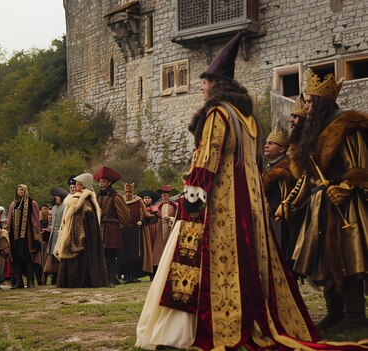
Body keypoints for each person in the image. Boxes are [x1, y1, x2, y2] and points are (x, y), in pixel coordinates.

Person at [136, 33, 319, 350]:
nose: (202, 87)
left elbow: (206, 162)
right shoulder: (249, 119)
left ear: (217, 85)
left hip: (222, 208)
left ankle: (204, 326)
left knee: (210, 267)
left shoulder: (218, 114)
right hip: (250, 208)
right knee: (249, 267)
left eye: (206, 82)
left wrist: (190, 210)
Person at [281, 68, 368, 336]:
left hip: (345, 203)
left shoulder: (346, 126)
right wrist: (291, 202)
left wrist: (346, 186)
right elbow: (307, 177)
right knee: (324, 260)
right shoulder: (315, 132)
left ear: (320, 104)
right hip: (319, 204)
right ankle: (335, 313)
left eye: (308, 102)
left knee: (347, 258)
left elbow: (362, 165)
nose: (305, 106)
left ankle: (356, 317)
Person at [54, 173, 107, 288]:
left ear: (84, 186)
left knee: (81, 256)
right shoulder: (77, 198)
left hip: (83, 235)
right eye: (76, 184)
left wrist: (78, 231)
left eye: (79, 184)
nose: (76, 187)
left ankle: (80, 281)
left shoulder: (84, 200)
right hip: (73, 232)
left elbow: (83, 219)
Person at [94, 165, 130, 287]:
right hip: (100, 229)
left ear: (109, 182)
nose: (101, 184)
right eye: (100, 182)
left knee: (112, 255)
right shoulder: (97, 197)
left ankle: (112, 280)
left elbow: (125, 215)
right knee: (102, 255)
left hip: (112, 229)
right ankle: (105, 278)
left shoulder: (116, 197)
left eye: (104, 181)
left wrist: (118, 226)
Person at [262, 123, 293, 259]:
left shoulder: (287, 167)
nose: (266, 145)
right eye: (266, 143)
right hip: (269, 218)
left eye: (271, 143)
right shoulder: (269, 167)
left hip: (281, 219)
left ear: (281, 149)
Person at [6, 184, 41, 289]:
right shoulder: (13, 204)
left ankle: (30, 281)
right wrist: (6, 231)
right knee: (16, 258)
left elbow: (35, 218)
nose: (20, 191)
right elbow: (9, 220)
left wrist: (37, 233)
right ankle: (19, 281)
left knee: (28, 257)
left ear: (25, 191)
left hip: (27, 235)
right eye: (18, 189)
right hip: (15, 235)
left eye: (22, 189)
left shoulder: (32, 203)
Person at [120, 183, 152, 283]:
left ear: (133, 192)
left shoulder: (138, 200)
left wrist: (143, 220)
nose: (128, 194)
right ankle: (125, 276)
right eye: (127, 192)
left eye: (130, 192)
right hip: (124, 229)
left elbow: (144, 213)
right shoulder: (121, 201)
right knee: (124, 253)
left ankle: (134, 276)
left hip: (135, 229)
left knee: (134, 254)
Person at [43, 187, 68, 285]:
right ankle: (54, 276)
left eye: (57, 197)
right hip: (53, 234)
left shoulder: (64, 207)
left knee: (60, 255)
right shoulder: (53, 208)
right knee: (52, 256)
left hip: (61, 233)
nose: (55, 198)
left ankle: (61, 276)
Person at [138, 189, 162, 275]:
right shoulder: (140, 208)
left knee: (154, 248)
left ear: (151, 200)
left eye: (148, 198)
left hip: (153, 229)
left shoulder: (155, 208)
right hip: (144, 230)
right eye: (145, 198)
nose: (147, 200)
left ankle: (155, 269)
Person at [155, 185, 177, 255]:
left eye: (166, 195)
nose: (164, 197)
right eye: (163, 195)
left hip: (170, 226)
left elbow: (177, 217)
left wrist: (170, 218)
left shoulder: (174, 206)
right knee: (161, 243)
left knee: (169, 243)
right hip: (160, 226)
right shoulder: (158, 206)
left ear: (169, 196)